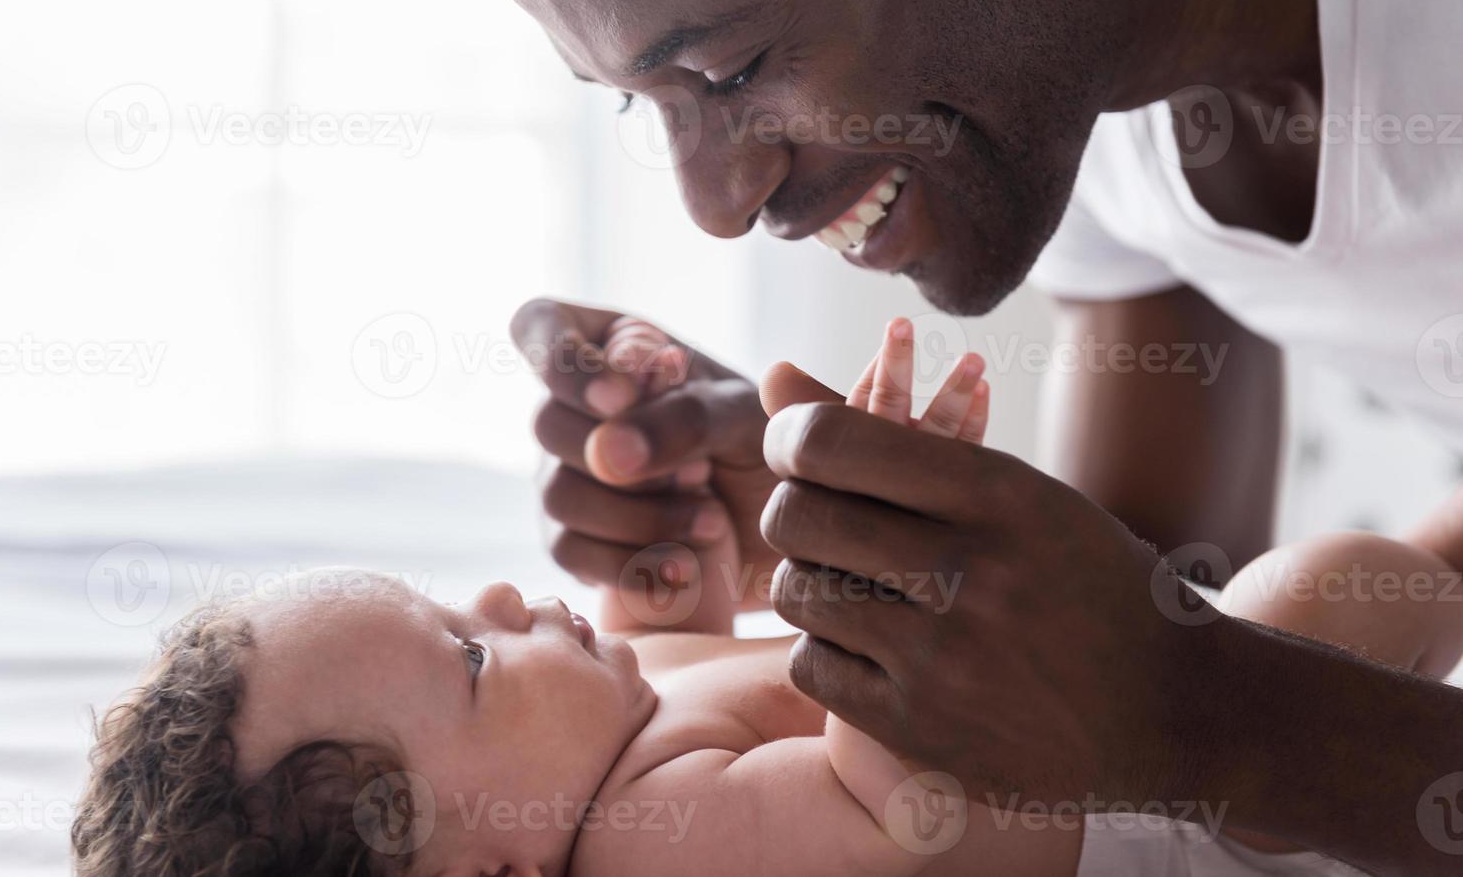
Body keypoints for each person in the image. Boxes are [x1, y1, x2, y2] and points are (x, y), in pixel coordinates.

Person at [478, 0, 1463, 871]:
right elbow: (1145, 642)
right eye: (632, 100)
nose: (716, 205)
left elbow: (1180, 698)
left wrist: (1189, 707)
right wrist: (846, 548)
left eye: (729, 70)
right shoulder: (1074, 102)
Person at [71, 322, 1461, 875]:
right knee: (1331, 591)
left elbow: (748, 673)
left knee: (1340, 590)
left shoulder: (607, 735)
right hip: (1207, 826)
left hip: (1150, 754)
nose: (501, 592)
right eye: (469, 658)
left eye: (451, 599)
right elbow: (892, 808)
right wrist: (886, 561)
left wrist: (697, 590)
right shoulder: (647, 844)